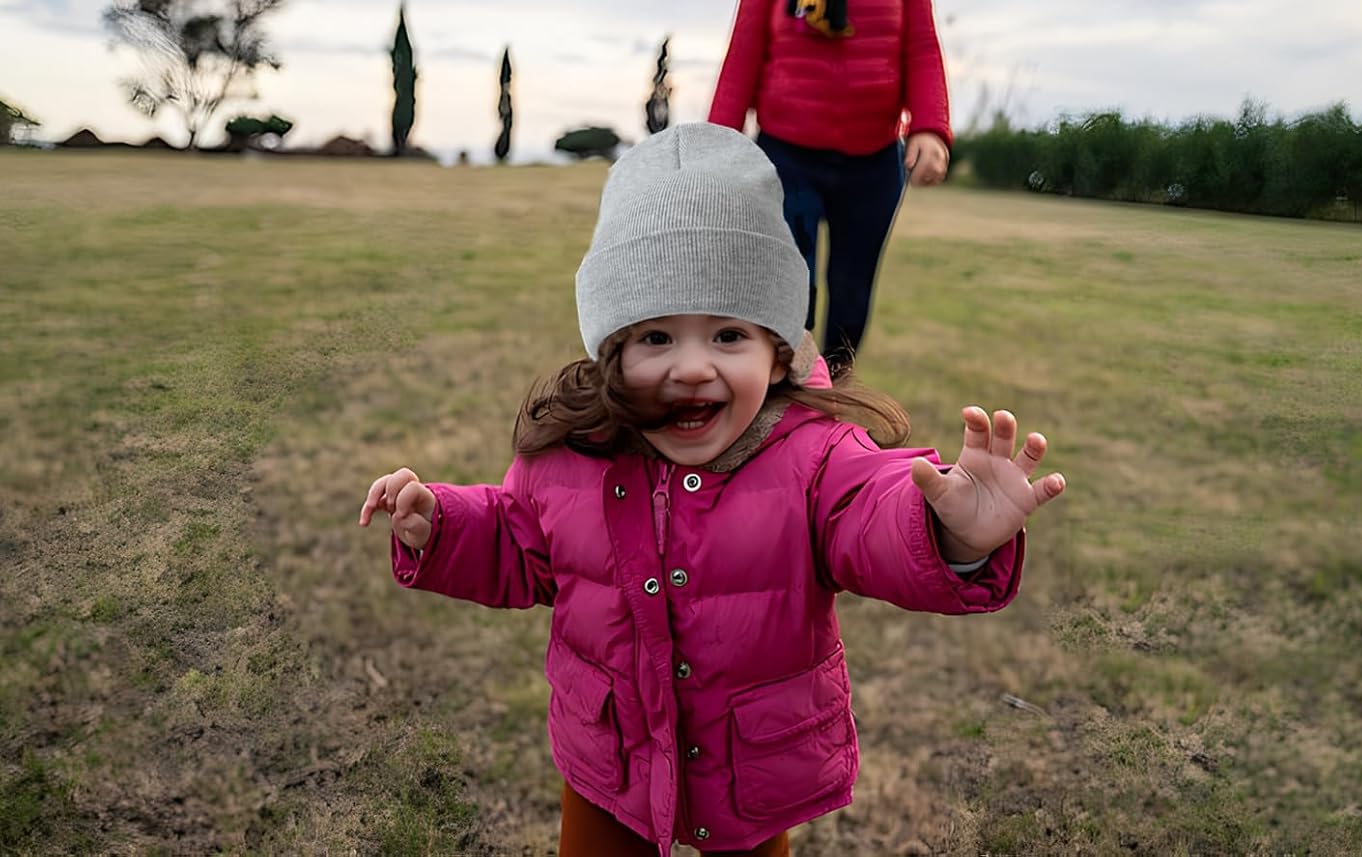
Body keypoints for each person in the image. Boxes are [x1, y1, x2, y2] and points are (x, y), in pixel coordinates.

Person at [357, 124, 1062, 857]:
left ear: (778, 352)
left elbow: (870, 512)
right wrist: (440, 525)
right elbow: (517, 538)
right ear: (611, 352)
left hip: (752, 770)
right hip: (611, 758)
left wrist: (950, 534)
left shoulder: (816, 455)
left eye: (728, 335)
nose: (692, 367)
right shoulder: (574, 451)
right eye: (656, 338)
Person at [709, 0, 953, 371]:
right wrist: (716, 144)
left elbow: (922, 47)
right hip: (786, 157)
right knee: (790, 286)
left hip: (873, 163)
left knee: (851, 293)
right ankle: (787, 385)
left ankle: (836, 387)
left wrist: (930, 127)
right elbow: (744, 51)